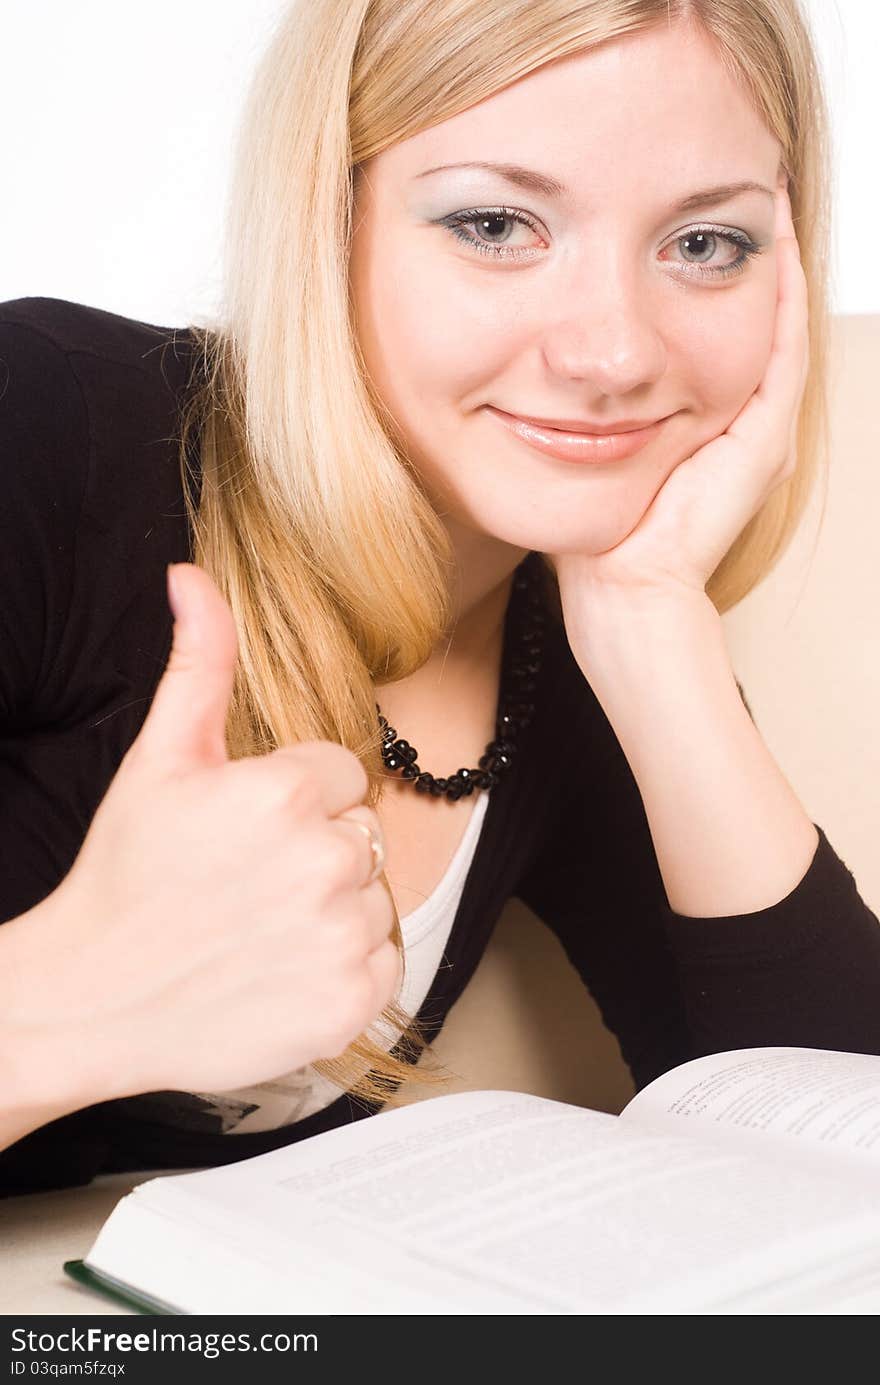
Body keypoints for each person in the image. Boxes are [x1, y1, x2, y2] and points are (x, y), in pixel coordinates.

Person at [2, 0, 879, 1198]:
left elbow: (829, 1149)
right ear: (328, 221)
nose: (612, 353)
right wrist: (71, 1008)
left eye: (706, 244)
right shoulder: (46, 426)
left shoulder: (567, 629)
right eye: (493, 223)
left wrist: (649, 624)